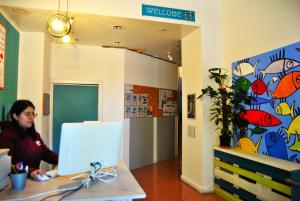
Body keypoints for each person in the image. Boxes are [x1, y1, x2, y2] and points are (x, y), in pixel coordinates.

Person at [0, 100, 58, 181]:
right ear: (15, 116)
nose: (31, 117)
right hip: (16, 181)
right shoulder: (7, 136)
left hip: (35, 178)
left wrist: (62, 161)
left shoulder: (34, 134)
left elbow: (45, 153)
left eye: (33, 114)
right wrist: (31, 171)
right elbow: (8, 164)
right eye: (27, 114)